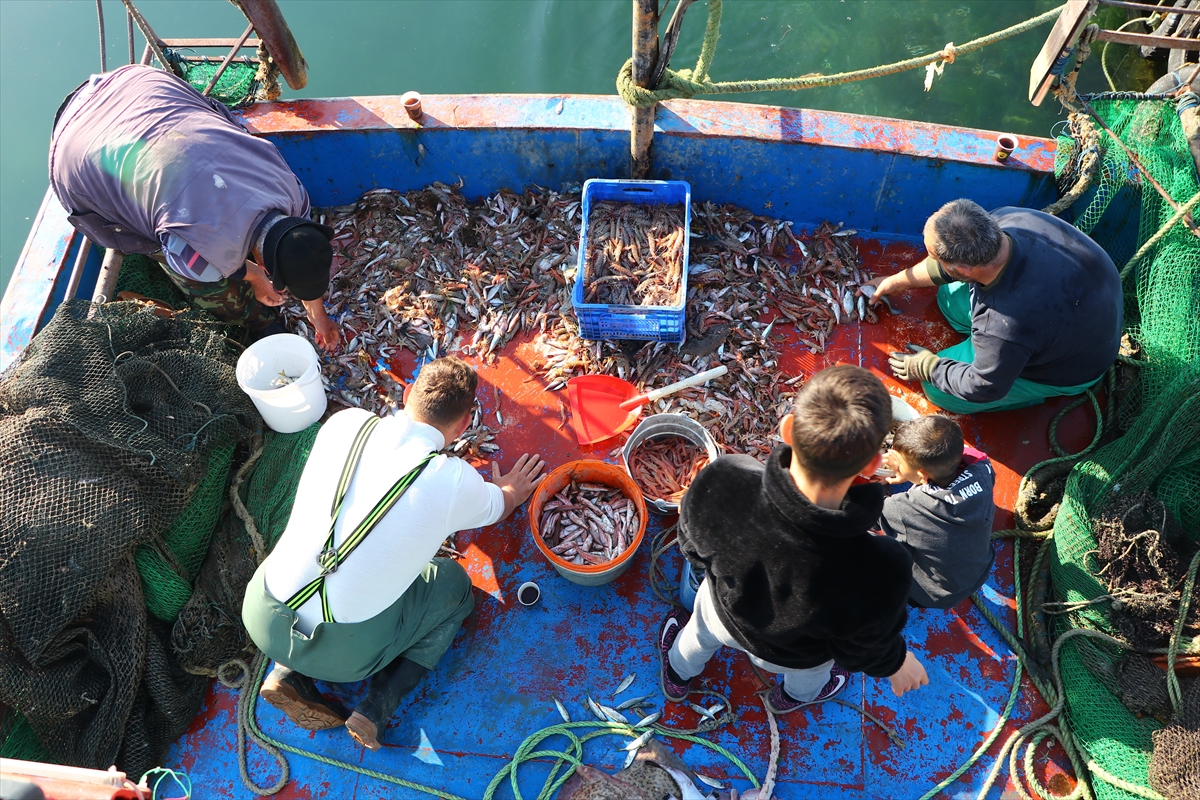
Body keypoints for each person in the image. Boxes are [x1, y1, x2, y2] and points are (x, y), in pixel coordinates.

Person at [241, 357, 545, 750]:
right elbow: (500, 505)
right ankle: (375, 706)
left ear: (406, 395)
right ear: (465, 425)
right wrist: (511, 490)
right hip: (345, 656)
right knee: (452, 584)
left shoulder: (345, 423)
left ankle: (284, 670)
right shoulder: (450, 479)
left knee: (319, 553)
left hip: (262, 612)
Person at [657, 366, 929, 716]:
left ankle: (678, 676)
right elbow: (862, 647)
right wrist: (896, 662)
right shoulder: (884, 566)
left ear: (787, 430)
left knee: (695, 638)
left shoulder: (722, 480)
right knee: (810, 678)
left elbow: (691, 546)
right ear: (874, 464)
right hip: (801, 656)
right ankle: (790, 699)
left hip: (723, 616)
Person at [48, 64, 341, 349]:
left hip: (138, 85)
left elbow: (300, 254)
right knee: (163, 252)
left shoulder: (292, 191)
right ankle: (256, 322)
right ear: (269, 266)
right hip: (73, 151)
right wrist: (254, 277)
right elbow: (207, 266)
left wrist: (318, 315)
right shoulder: (198, 257)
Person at [868, 199, 1123, 414]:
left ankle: (1033, 394)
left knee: (939, 391)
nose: (933, 261)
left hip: (1071, 367)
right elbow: (952, 268)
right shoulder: (1009, 218)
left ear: (965, 269)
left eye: (935, 257)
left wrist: (927, 367)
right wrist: (898, 281)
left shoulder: (1005, 324)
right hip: (1082, 304)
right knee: (948, 296)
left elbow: (983, 385)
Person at [878, 415, 996, 610]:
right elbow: (967, 454)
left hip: (932, 593)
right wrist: (910, 472)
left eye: (899, 462)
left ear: (921, 475)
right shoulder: (984, 468)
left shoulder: (903, 509)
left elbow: (864, 514)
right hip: (980, 571)